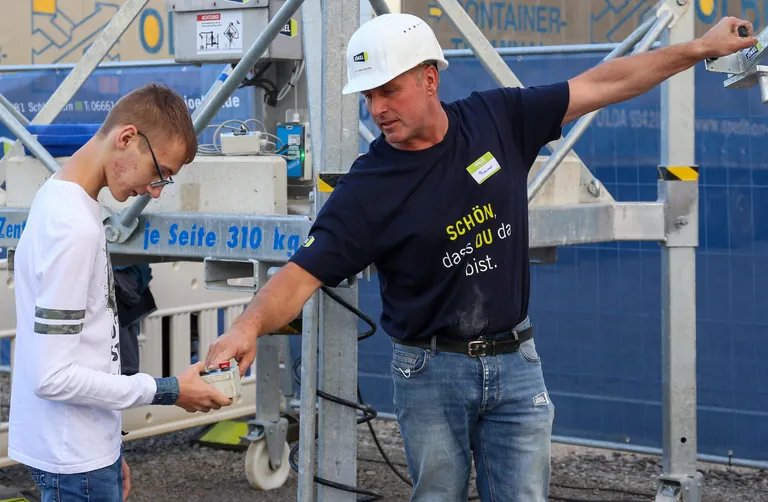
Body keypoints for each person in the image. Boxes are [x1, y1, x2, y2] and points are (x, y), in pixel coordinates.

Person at [204, 13, 756, 501]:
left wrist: (700, 48)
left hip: (516, 362)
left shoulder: (497, 118)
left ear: (429, 78)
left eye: (388, 91)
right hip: (428, 371)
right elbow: (302, 273)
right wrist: (248, 327)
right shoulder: (369, 186)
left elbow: (603, 83)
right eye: (367, 97)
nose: (377, 109)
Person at [9, 83, 233, 502]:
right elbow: (52, 377)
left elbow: (82, 351)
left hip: (79, 452)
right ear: (127, 138)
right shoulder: (74, 227)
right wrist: (168, 390)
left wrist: (108, 446)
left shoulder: (61, 198)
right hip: (74, 457)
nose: (155, 190)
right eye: (159, 172)